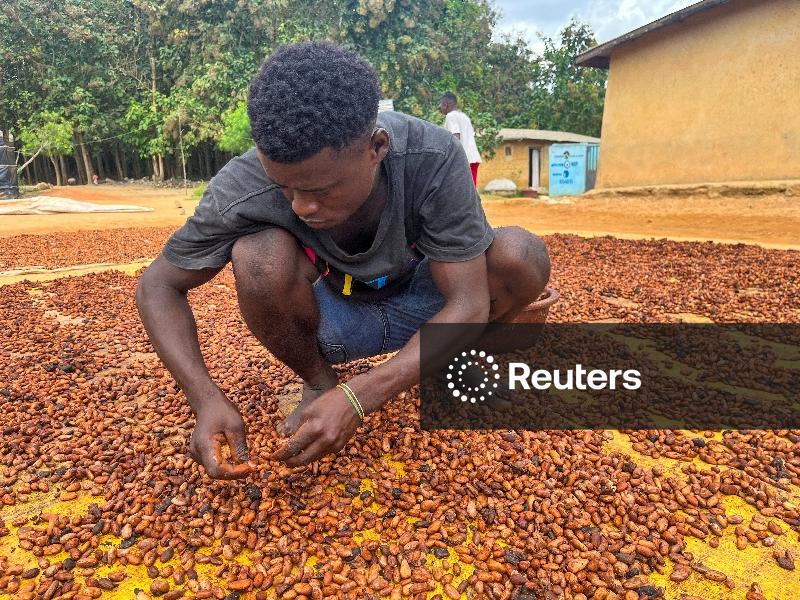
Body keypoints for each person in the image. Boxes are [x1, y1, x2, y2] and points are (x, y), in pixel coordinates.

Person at [136, 42, 550, 480]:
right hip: (337, 319)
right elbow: (157, 285)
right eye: (285, 188)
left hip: (434, 304)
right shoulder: (241, 186)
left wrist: (361, 397)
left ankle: (454, 358)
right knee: (256, 255)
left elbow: (465, 303)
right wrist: (204, 397)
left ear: (377, 147)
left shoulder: (430, 156)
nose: (301, 207)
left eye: (321, 189)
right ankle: (318, 381)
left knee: (519, 255)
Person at [439, 92, 482, 186]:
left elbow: (455, 138)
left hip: (463, 160)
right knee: (471, 192)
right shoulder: (464, 117)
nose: (440, 108)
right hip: (473, 158)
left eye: (441, 105)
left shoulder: (450, 116)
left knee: (461, 193)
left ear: (445, 105)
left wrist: (450, 160)